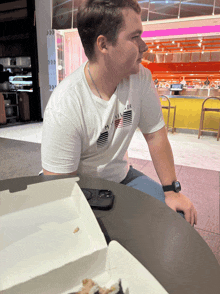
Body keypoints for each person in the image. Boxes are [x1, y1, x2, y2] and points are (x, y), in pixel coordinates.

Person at [41, 0, 197, 227]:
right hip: (77, 186)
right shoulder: (66, 103)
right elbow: (59, 188)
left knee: (177, 218)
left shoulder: (140, 78)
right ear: (103, 45)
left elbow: (155, 135)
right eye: (134, 37)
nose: (144, 46)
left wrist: (172, 191)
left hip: (122, 177)